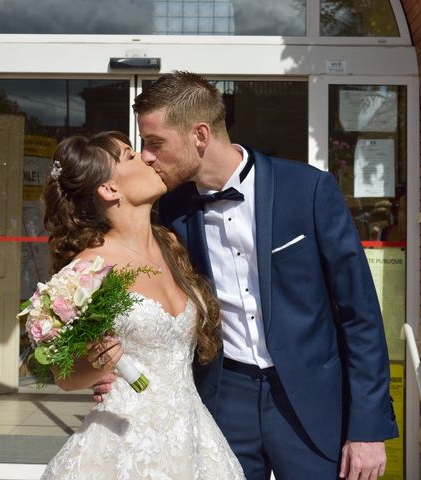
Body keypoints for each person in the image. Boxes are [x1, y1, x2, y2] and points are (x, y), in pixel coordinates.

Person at [95, 71, 398, 479]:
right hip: (222, 398)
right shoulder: (169, 210)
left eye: (155, 143)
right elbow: (142, 290)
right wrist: (111, 367)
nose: (146, 156)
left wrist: (367, 428)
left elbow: (359, 314)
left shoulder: (308, 190)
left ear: (200, 135)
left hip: (311, 402)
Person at [39, 131, 245, 479]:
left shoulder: (172, 247)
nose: (148, 159)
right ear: (109, 189)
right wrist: (97, 365)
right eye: (131, 156)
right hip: (127, 442)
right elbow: (64, 376)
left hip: (195, 436)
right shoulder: (88, 270)